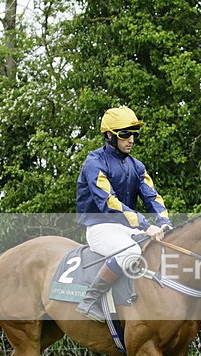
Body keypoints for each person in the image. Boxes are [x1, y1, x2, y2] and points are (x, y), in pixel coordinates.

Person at [75, 106, 172, 321]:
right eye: (125, 134)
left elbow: (152, 197)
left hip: (127, 228)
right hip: (100, 227)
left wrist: (164, 221)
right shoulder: (94, 163)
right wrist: (146, 225)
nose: (131, 140)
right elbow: (110, 203)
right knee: (131, 254)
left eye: (134, 135)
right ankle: (90, 300)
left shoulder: (137, 166)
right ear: (110, 135)